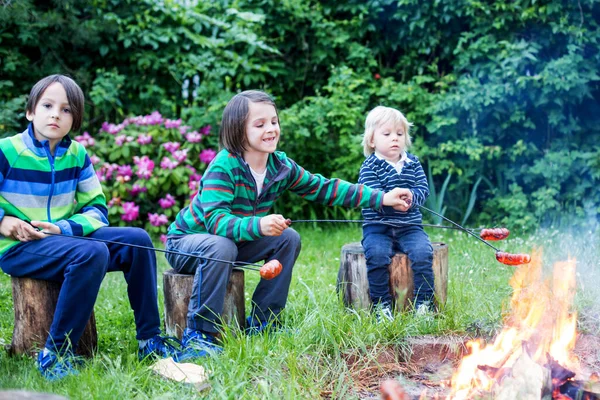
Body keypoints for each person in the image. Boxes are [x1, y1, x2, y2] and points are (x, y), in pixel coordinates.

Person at [166, 90, 411, 359]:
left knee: (288, 238)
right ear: (238, 130)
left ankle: (264, 323)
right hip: (188, 243)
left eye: (273, 121)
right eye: (259, 125)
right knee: (220, 245)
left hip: (232, 244)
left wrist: (383, 198)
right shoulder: (224, 166)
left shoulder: (279, 166)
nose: (270, 129)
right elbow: (214, 220)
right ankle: (200, 334)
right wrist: (258, 225)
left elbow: (324, 188)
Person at [0, 75, 179, 381]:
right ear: (30, 111)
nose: (56, 114)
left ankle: (149, 340)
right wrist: (5, 221)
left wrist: (62, 228)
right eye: (47, 105)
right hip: (18, 247)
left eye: (66, 109)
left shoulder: (77, 155)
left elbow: (97, 209)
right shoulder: (7, 150)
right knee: (92, 252)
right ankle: (55, 354)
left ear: (76, 118)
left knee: (137, 239)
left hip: (60, 239)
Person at [358, 106, 435, 322]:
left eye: (400, 134)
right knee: (377, 256)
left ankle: (424, 304)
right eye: (387, 134)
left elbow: (423, 189)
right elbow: (371, 195)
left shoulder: (413, 163)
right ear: (372, 140)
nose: (395, 139)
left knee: (423, 253)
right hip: (378, 228)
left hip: (410, 226)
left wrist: (412, 197)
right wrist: (390, 201)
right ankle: (382, 305)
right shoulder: (370, 166)